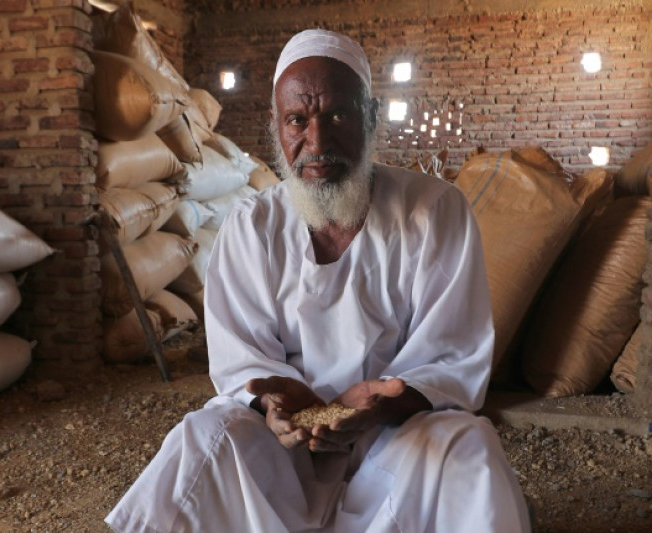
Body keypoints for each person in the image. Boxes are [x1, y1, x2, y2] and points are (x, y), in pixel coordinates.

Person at [105, 29, 531, 532]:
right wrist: (273, 401)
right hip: (283, 446)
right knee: (204, 435)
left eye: (338, 116)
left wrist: (381, 403)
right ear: (276, 125)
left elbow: (452, 354)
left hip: (398, 432)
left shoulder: (435, 210)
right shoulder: (251, 226)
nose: (318, 142)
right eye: (297, 120)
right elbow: (241, 358)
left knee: (470, 447)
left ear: (371, 116)